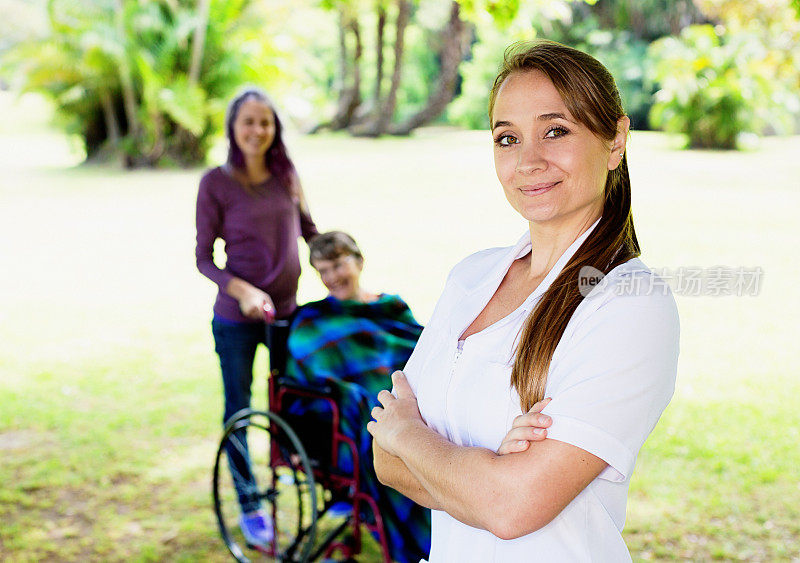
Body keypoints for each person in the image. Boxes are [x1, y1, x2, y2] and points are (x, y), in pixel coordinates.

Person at [367, 40, 680, 562]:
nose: (529, 161)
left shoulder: (629, 304)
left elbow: (512, 508)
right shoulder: (470, 278)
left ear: (615, 140)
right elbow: (384, 461)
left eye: (555, 131)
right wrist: (484, 471)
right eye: (507, 138)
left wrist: (411, 436)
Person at [195, 87, 318, 546]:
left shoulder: (287, 175)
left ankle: (297, 483)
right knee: (241, 411)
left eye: (265, 122)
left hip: (287, 314)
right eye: (248, 121)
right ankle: (251, 506)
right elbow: (203, 259)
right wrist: (243, 290)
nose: (257, 130)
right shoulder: (216, 182)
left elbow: (310, 232)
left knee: (293, 403)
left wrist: (342, 267)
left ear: (274, 129)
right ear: (233, 127)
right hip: (236, 321)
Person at [283, 231, 431, 563]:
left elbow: (424, 351)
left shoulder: (391, 306)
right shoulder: (312, 320)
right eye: (323, 270)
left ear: (359, 261)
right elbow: (310, 365)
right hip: (357, 415)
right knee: (389, 435)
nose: (332, 277)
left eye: (337, 265)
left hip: (411, 400)